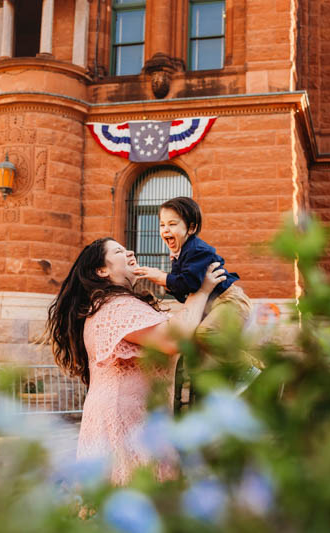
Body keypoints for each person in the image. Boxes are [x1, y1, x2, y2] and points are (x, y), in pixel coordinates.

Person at [45, 237, 226, 484]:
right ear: (102, 270)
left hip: (124, 418)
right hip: (126, 424)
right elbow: (174, 338)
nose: (130, 252)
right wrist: (201, 290)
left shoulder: (108, 305)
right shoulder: (117, 306)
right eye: (119, 251)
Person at [133, 197, 260, 391]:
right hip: (212, 305)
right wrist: (168, 283)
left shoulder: (196, 250)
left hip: (230, 301)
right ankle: (228, 379)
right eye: (162, 225)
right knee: (195, 343)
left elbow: (189, 283)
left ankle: (250, 369)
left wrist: (161, 277)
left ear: (191, 228)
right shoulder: (179, 255)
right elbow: (186, 294)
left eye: (172, 224)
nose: (165, 230)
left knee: (206, 333)